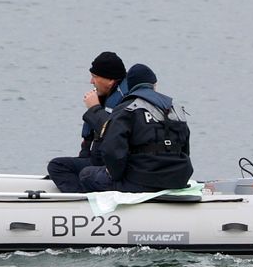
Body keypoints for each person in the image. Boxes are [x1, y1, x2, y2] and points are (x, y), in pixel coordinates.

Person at [80, 63, 193, 194]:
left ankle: (101, 210)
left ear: (130, 86)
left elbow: (112, 150)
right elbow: (185, 150)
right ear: (154, 85)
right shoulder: (175, 108)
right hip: (178, 180)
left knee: (86, 174)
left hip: (142, 181)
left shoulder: (127, 108)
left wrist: (116, 177)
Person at [46, 51, 127, 192]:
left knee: (56, 166)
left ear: (110, 80)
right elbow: (89, 138)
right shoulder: (104, 97)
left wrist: (94, 108)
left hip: (110, 166)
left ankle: (81, 199)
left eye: (95, 77)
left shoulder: (124, 102)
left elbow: (113, 132)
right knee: (60, 165)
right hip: (96, 160)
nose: (91, 82)